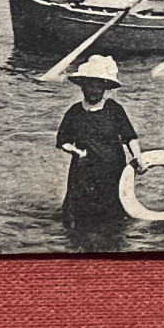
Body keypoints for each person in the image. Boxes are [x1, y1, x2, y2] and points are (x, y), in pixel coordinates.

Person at [55, 55, 144, 226]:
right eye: (90, 85)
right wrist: (77, 152)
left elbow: (130, 137)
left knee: (113, 219)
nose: (94, 90)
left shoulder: (114, 109)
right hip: (83, 170)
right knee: (79, 219)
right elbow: (63, 141)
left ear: (104, 88)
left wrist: (138, 157)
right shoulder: (74, 112)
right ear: (82, 88)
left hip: (112, 169)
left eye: (98, 86)